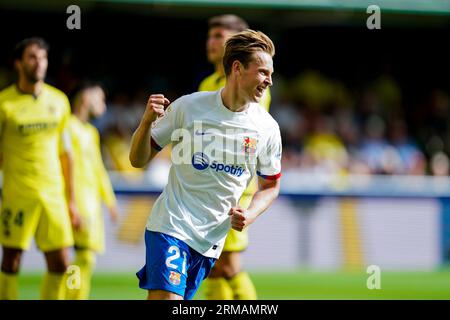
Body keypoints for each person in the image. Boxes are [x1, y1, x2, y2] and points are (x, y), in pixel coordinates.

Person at [130, 29, 282, 300]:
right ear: (237, 68)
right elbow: (138, 159)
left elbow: (270, 185)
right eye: (262, 72)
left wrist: (251, 214)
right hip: (171, 225)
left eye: (270, 73)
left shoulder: (267, 128)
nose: (269, 81)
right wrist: (145, 124)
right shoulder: (188, 107)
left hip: (210, 241)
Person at [198, 14, 272, 300]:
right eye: (211, 35)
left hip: (233, 185)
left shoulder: (251, 83)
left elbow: (245, 131)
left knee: (229, 265)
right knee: (213, 265)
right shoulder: (207, 83)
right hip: (208, 185)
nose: (211, 42)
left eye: (219, 36)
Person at [0, 37, 80, 300]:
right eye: (32, 57)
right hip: (17, 194)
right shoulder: (4, 103)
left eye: (43, 57)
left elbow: (66, 154)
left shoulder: (59, 101)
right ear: (18, 63)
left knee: (60, 262)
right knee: (11, 261)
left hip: (53, 195)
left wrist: (71, 201)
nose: (39, 63)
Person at [65, 83, 119, 300]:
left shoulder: (90, 132)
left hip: (90, 203)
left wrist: (110, 201)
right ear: (86, 98)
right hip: (77, 202)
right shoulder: (67, 126)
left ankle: (75, 296)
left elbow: (98, 169)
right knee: (82, 257)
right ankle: (69, 296)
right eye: (100, 99)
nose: (103, 105)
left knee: (86, 258)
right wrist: (71, 202)